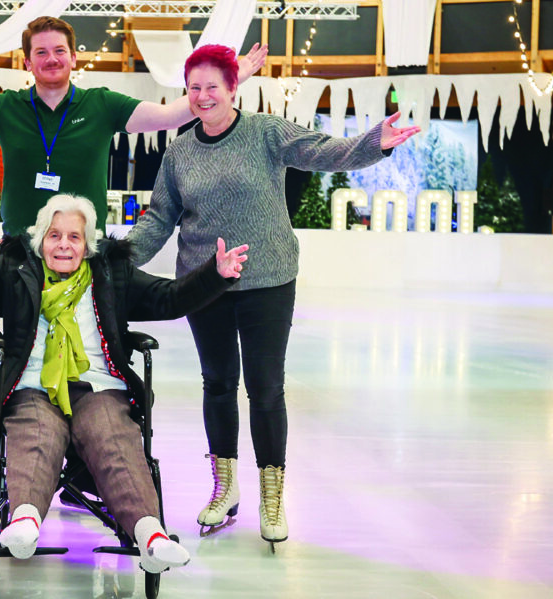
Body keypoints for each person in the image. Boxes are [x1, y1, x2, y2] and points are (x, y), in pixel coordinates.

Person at [126, 45, 420, 545]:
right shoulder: (179, 152)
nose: (201, 97)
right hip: (204, 281)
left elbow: (325, 151)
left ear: (233, 88)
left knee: (264, 388)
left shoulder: (265, 132)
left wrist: (377, 143)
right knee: (217, 383)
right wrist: (114, 260)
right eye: (193, 88)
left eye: (211, 87)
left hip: (268, 279)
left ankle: (272, 492)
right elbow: (159, 219)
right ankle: (225, 487)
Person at [0, 194, 248, 573]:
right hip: (32, 384)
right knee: (36, 433)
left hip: (97, 386)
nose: (64, 245)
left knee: (113, 435)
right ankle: (24, 521)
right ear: (40, 240)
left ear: (87, 245)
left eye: (74, 237)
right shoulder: (15, 267)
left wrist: (214, 274)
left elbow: (166, 298)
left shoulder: (111, 273)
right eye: (55, 236)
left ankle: (151, 535)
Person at [0, 17, 268, 235]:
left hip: (85, 250)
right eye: (41, 52)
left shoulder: (102, 104)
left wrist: (233, 80)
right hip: (19, 251)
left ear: (74, 57)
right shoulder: (5, 107)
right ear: (27, 62)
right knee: (17, 360)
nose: (51, 58)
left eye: (59, 51)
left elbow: (171, 115)